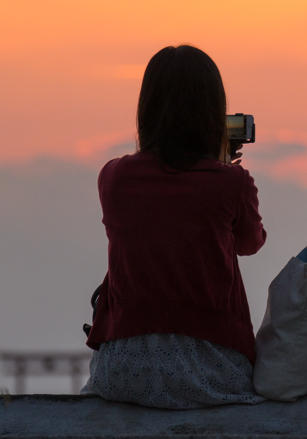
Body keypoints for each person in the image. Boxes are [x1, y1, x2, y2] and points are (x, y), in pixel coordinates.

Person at [82, 45, 266, 409]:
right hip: (212, 370)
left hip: (123, 369)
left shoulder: (113, 177)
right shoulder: (231, 182)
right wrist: (221, 164)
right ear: (213, 114)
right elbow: (250, 242)